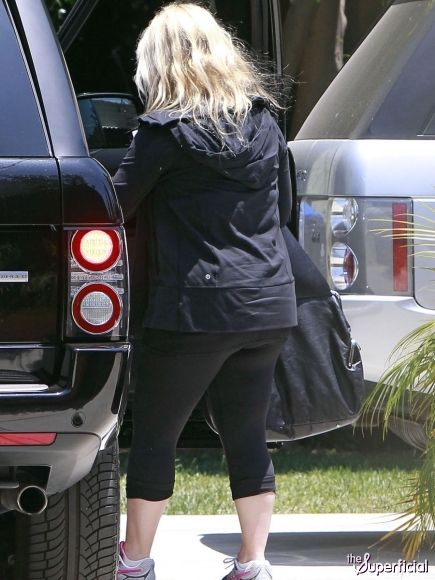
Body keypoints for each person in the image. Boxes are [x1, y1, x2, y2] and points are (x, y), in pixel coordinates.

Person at [113, 2, 296, 579]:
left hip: (193, 306)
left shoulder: (162, 134)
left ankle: (135, 562)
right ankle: (253, 562)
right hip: (267, 301)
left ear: (158, 62)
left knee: (156, 436)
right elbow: (283, 211)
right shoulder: (265, 123)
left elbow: (114, 206)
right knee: (247, 435)